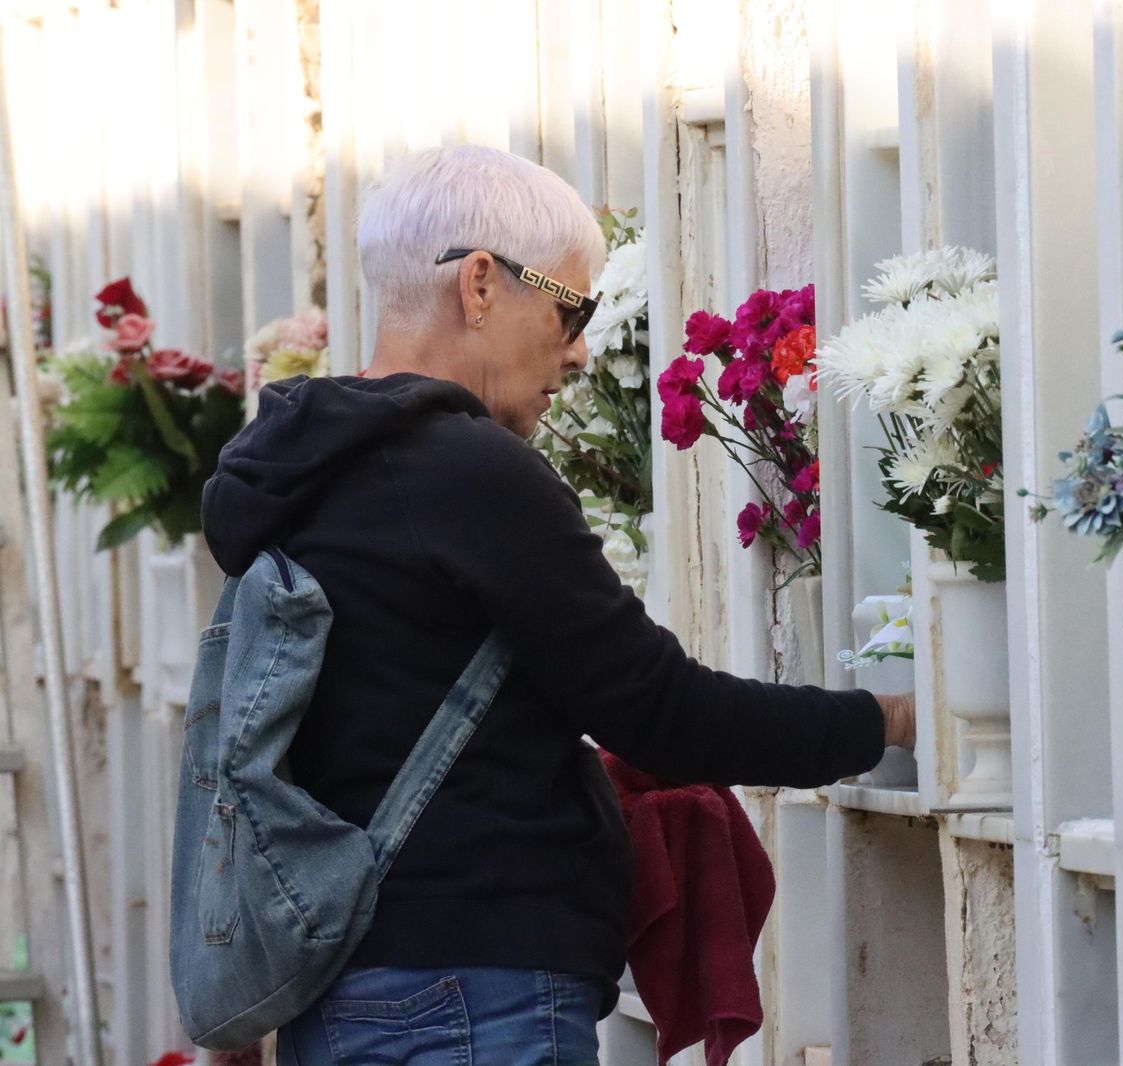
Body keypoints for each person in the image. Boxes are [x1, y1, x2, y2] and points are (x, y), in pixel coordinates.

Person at [201, 144, 916, 1066]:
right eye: (572, 309)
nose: (578, 348)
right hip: (476, 993)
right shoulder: (470, 472)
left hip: (343, 993)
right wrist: (888, 718)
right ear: (482, 286)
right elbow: (662, 710)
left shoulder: (293, 469)